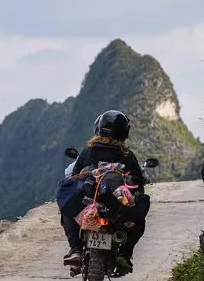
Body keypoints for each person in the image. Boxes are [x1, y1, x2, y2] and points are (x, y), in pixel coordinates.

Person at [61, 110, 149, 272]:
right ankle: (124, 254)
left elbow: (75, 176)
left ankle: (75, 250)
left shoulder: (88, 151)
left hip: (90, 204)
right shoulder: (127, 155)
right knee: (139, 216)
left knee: (67, 210)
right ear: (124, 132)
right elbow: (137, 183)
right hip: (116, 209)